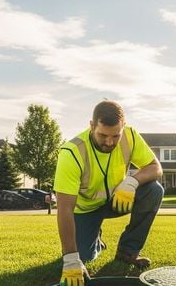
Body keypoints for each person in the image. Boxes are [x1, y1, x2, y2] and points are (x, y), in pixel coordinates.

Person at [54, 100, 163, 286]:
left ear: (123, 127)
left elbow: (156, 168)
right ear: (91, 125)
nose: (109, 142)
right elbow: (64, 209)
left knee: (153, 191)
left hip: (117, 200)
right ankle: (95, 239)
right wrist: (71, 259)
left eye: (115, 136)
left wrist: (132, 182)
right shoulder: (71, 152)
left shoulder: (130, 137)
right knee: (85, 256)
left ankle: (128, 251)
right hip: (85, 210)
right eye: (102, 135)